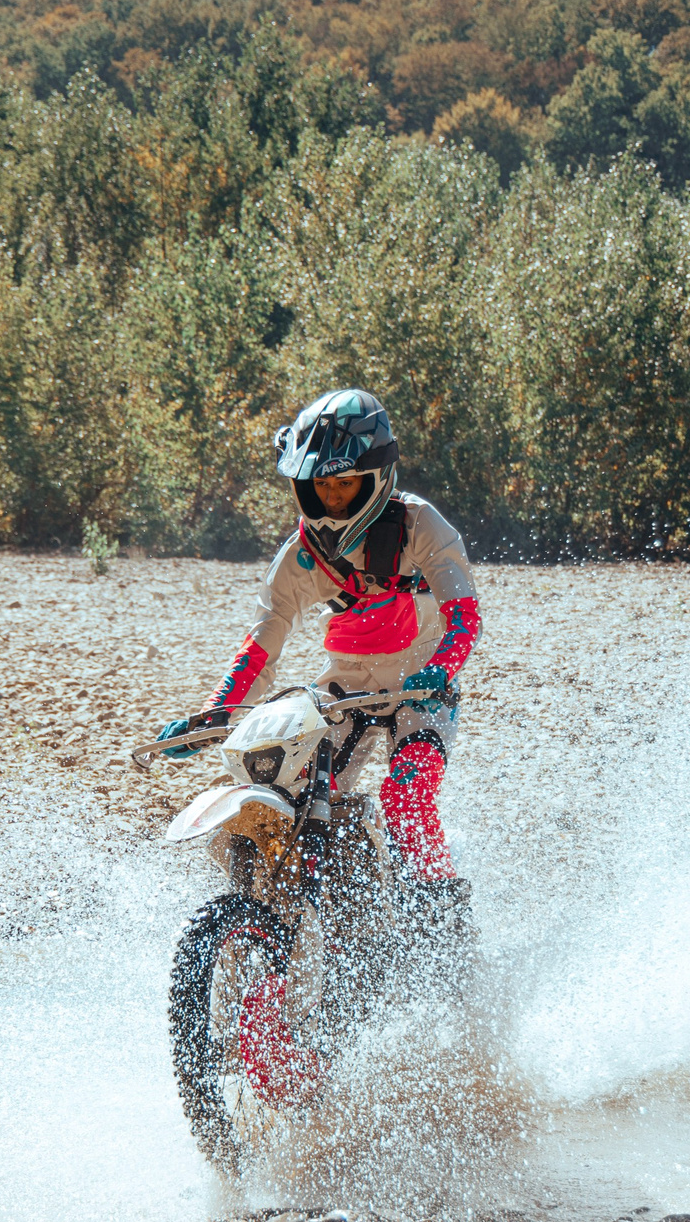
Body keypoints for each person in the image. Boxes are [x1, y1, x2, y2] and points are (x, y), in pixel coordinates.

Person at [154, 388, 483, 945]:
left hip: (422, 687)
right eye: (320, 484)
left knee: (406, 797)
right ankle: (287, 918)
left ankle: (443, 937)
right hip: (343, 686)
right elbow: (262, 643)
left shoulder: (422, 525)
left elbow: (464, 618)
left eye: (343, 482)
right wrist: (214, 713)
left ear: (376, 476)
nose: (330, 496)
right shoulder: (299, 556)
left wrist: (440, 671)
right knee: (285, 785)